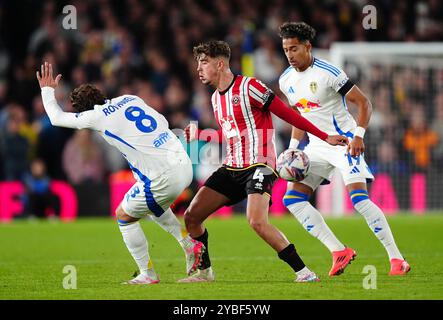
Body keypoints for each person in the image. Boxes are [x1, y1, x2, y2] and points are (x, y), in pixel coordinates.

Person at [180, 40, 348, 283]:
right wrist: (200, 135)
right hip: (232, 166)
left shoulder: (250, 87)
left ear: (219, 64)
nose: (199, 68)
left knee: (257, 221)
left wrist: (324, 136)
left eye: (203, 62)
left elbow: (289, 114)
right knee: (192, 216)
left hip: (260, 165)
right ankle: (204, 272)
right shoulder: (216, 98)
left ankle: (304, 272)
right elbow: (232, 135)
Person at [36, 62, 205, 284]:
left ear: (83, 110)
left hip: (163, 175)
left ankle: (149, 273)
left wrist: (47, 90)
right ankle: (186, 243)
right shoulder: (130, 98)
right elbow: (162, 121)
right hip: (183, 164)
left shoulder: (95, 116)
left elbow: (56, 118)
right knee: (151, 206)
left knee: (124, 216)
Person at [277, 22, 410, 276]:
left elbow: (364, 103)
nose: (290, 55)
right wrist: (293, 150)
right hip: (316, 146)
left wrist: (359, 136)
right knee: (292, 199)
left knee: (359, 200)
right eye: (285, 50)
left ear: (307, 46)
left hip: (345, 143)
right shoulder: (286, 80)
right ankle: (339, 251)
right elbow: (298, 117)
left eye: (294, 48)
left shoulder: (329, 72)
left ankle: (397, 259)